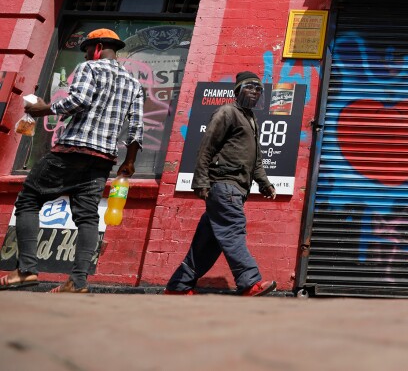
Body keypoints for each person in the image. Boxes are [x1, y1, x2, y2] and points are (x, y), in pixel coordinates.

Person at [0, 29, 144, 293]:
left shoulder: (90, 67)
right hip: (102, 159)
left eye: (88, 48)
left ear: (98, 47)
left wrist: (44, 109)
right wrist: (130, 162)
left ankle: (26, 270)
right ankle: (77, 281)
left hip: (72, 150)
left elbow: (79, 100)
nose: (86, 54)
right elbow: (136, 127)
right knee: (88, 217)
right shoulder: (133, 84)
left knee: (29, 200)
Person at [165, 71, 277, 297]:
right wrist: (201, 181)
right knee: (233, 230)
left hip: (236, 188)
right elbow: (206, 148)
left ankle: (179, 286)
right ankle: (249, 282)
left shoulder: (251, 119)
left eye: (258, 89)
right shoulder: (227, 112)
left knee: (207, 242)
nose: (255, 92)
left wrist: (265, 184)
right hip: (225, 186)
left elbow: (256, 160)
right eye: (250, 88)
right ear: (238, 91)